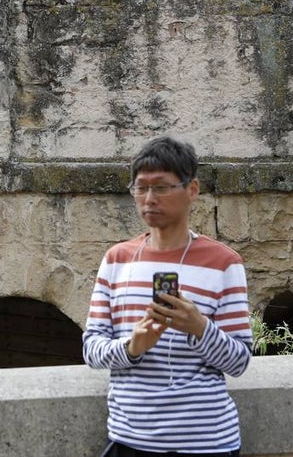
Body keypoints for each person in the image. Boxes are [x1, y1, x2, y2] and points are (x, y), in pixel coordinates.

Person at [83, 135, 252, 457]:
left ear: (192, 190)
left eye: (161, 187)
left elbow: (240, 361)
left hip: (207, 444)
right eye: (140, 188)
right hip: (130, 441)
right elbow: (91, 349)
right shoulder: (117, 259)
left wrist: (199, 328)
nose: (148, 199)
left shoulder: (224, 263)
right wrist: (133, 347)